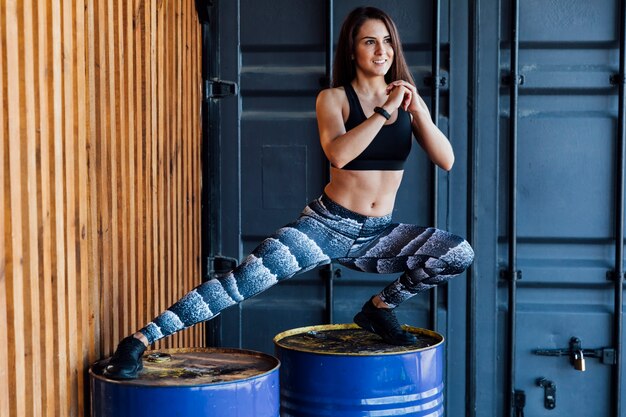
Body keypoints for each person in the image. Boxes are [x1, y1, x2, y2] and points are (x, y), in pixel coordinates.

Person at [104, 6, 474, 380]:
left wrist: (420, 114)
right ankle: (138, 340)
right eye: (369, 42)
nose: (382, 50)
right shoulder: (334, 98)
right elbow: (339, 154)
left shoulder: (408, 102)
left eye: (387, 41)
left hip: (378, 234)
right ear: (352, 50)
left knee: (457, 253)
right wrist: (384, 111)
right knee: (242, 282)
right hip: (327, 227)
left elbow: (446, 160)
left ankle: (379, 308)